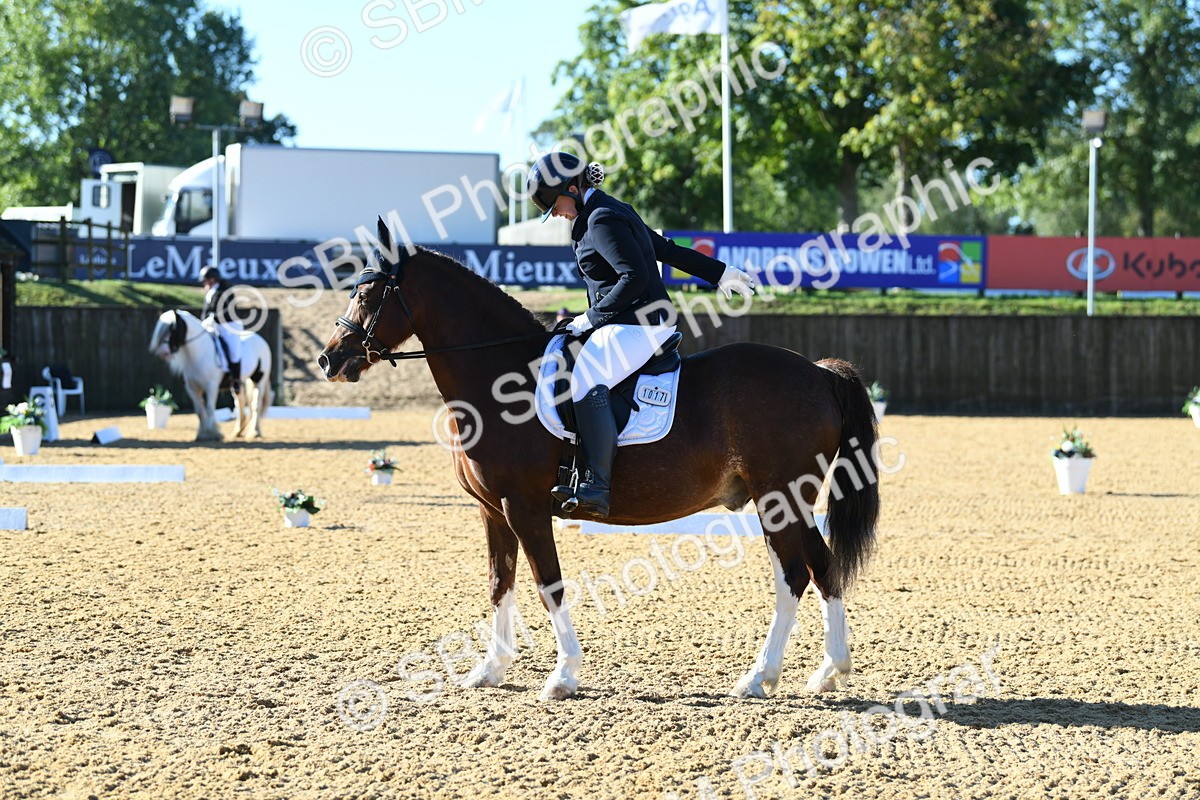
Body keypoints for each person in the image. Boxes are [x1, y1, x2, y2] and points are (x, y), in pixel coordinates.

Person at [527, 152, 756, 519]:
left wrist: (590, 318)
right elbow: (663, 249)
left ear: (572, 187)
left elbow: (632, 278)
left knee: (586, 377)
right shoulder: (604, 210)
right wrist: (719, 272)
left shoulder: (600, 220)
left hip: (640, 323)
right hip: (626, 320)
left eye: (555, 205)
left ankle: (597, 485)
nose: (555, 213)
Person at [199, 265, 243, 392]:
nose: (204, 284)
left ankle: (236, 380)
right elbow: (205, 312)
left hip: (230, 325)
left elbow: (227, 310)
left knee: (234, 352)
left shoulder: (226, 290)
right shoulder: (210, 293)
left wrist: (214, 318)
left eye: (205, 281)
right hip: (214, 325)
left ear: (212, 280)